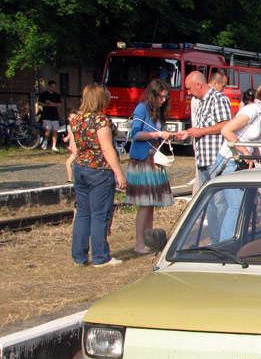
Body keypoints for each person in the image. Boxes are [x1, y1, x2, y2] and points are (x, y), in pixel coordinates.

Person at [214, 82, 261, 241]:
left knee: (245, 205)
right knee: (236, 205)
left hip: (243, 163)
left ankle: (239, 240)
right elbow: (226, 130)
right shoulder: (252, 110)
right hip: (231, 161)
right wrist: (245, 152)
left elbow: (257, 143)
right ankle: (225, 243)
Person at [68, 83, 127, 267]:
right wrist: (119, 173)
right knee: (100, 214)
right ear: (101, 99)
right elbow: (107, 149)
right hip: (99, 170)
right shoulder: (101, 121)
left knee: (83, 213)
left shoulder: (76, 120)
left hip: (80, 168)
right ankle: (101, 257)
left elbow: (74, 148)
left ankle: (79, 256)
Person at [125, 79, 175, 254]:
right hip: (142, 160)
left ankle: (148, 240)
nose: (163, 100)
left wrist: (166, 136)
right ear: (153, 95)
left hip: (154, 159)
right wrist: (158, 133)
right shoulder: (141, 108)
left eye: (165, 97)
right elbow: (136, 133)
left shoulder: (159, 112)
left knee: (151, 203)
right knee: (145, 203)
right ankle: (139, 243)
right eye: (161, 97)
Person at [182, 71, 233, 189]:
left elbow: (226, 125)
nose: (188, 92)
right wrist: (188, 133)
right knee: (207, 201)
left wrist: (200, 132)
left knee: (218, 202)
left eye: (189, 89)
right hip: (202, 159)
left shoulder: (218, 98)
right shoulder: (201, 102)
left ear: (199, 85)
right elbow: (203, 127)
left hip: (214, 159)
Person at [39, 80, 62, 151]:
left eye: (54, 87)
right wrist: (46, 104)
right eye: (52, 86)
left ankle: (54, 145)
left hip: (54, 115)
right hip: (46, 115)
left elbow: (59, 104)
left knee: (55, 131)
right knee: (48, 130)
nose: (53, 88)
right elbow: (40, 102)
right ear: (49, 87)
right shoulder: (44, 94)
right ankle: (45, 142)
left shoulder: (56, 95)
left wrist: (52, 104)